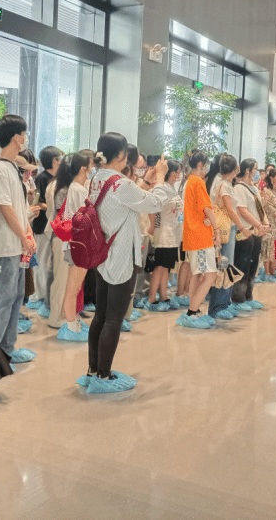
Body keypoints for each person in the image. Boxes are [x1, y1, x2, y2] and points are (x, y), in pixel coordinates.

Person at [80, 133, 174, 390]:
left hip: (102, 253)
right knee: (114, 318)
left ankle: (93, 369)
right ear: (121, 155)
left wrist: (148, 180)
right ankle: (104, 375)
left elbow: (132, 198)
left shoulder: (96, 179)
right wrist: (161, 177)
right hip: (120, 254)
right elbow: (153, 202)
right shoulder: (120, 183)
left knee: (101, 314)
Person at [0, 115, 38, 364]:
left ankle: (6, 348)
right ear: (16, 137)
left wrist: (27, 234)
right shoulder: (0, 167)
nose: (25, 138)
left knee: (14, 297)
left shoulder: (12, 167)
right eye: (24, 134)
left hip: (17, 243)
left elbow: (19, 208)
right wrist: (23, 236)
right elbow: (3, 206)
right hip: (5, 244)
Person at [49, 151, 93, 339]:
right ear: (83, 168)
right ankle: (70, 326)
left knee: (73, 287)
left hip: (75, 243)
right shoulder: (78, 190)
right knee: (72, 288)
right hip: (78, 244)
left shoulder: (76, 188)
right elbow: (84, 219)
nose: (93, 168)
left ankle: (72, 323)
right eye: (91, 164)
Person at [207, 153, 253, 318]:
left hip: (227, 228)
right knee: (224, 266)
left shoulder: (223, 183)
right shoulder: (225, 185)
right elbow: (230, 210)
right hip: (226, 229)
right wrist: (242, 227)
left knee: (226, 266)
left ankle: (224, 303)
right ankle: (218, 306)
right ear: (236, 169)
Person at [181, 149, 221, 326]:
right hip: (200, 236)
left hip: (193, 234)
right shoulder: (197, 182)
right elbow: (207, 208)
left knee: (197, 274)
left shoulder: (189, 182)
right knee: (210, 275)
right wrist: (217, 229)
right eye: (206, 164)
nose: (207, 167)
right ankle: (192, 311)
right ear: (200, 165)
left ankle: (194, 310)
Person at [28, 146, 63, 313]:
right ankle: (37, 295)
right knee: (41, 262)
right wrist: (52, 207)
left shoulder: (59, 179)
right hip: (42, 226)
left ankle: (46, 294)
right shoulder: (42, 178)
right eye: (60, 158)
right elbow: (36, 202)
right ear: (54, 161)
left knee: (49, 263)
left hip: (54, 226)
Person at [147, 160, 184, 308]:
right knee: (160, 266)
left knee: (166, 267)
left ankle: (163, 297)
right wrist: (152, 226)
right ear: (173, 173)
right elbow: (152, 209)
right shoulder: (161, 188)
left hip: (174, 234)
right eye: (179, 171)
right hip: (164, 233)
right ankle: (151, 299)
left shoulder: (171, 189)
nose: (180, 174)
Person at [232, 159, 269, 308]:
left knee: (253, 265)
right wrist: (258, 225)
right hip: (245, 232)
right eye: (255, 169)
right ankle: (238, 299)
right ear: (247, 171)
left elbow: (260, 208)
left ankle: (248, 296)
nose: (257, 172)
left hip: (257, 232)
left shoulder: (253, 188)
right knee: (242, 264)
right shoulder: (239, 188)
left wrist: (266, 224)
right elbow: (242, 210)